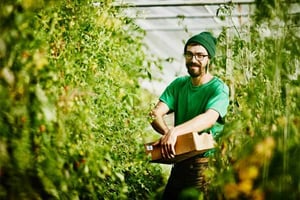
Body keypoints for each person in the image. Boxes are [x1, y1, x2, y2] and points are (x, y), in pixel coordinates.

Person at [149, 32, 230, 199]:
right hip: (180, 163)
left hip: (205, 166)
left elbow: (210, 118)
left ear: (209, 59)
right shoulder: (179, 85)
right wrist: (167, 134)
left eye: (200, 55)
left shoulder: (218, 89)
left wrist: (175, 131)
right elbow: (154, 113)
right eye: (189, 54)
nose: (194, 59)